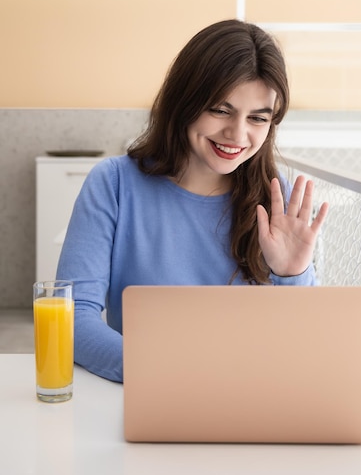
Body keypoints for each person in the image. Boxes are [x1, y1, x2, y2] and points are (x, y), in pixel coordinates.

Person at [56, 19, 329, 383]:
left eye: (258, 118)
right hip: (153, 393)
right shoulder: (114, 184)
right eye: (220, 110)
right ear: (185, 101)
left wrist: (292, 273)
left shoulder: (277, 198)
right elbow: (72, 319)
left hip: (255, 398)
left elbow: (306, 344)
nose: (237, 134)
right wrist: (167, 371)